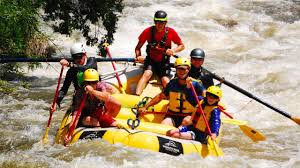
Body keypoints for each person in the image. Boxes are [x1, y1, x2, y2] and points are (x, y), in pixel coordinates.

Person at [138, 57, 205, 128]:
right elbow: (161, 96)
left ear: (188, 70)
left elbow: (205, 97)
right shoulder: (172, 83)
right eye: (179, 69)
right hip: (172, 115)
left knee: (186, 122)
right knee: (164, 124)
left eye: (184, 69)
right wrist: (146, 106)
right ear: (176, 70)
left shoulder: (196, 84)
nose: (181, 72)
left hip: (189, 116)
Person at [135, 10, 185, 95]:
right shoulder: (147, 31)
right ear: (154, 22)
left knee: (165, 80)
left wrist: (173, 51)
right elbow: (138, 48)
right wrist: (138, 56)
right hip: (151, 60)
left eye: (162, 22)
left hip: (164, 62)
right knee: (147, 74)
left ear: (166, 22)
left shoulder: (171, 32)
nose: (159, 24)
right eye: (157, 22)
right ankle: (136, 96)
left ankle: (171, 100)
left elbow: (182, 46)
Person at [65, 69, 121, 142]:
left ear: (97, 82)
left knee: (115, 123)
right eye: (89, 83)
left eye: (94, 82)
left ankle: (104, 122)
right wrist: (69, 133)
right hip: (85, 117)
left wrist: (92, 91)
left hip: (98, 113)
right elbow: (76, 116)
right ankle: (99, 138)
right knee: (94, 122)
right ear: (85, 83)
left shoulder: (100, 86)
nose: (92, 85)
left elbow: (106, 97)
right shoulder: (79, 94)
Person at [50, 42, 98, 112]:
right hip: (80, 96)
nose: (78, 59)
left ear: (85, 54)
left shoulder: (92, 61)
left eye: (79, 57)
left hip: (94, 95)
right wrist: (56, 102)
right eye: (75, 57)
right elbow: (64, 89)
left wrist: (70, 64)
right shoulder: (71, 71)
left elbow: (86, 68)